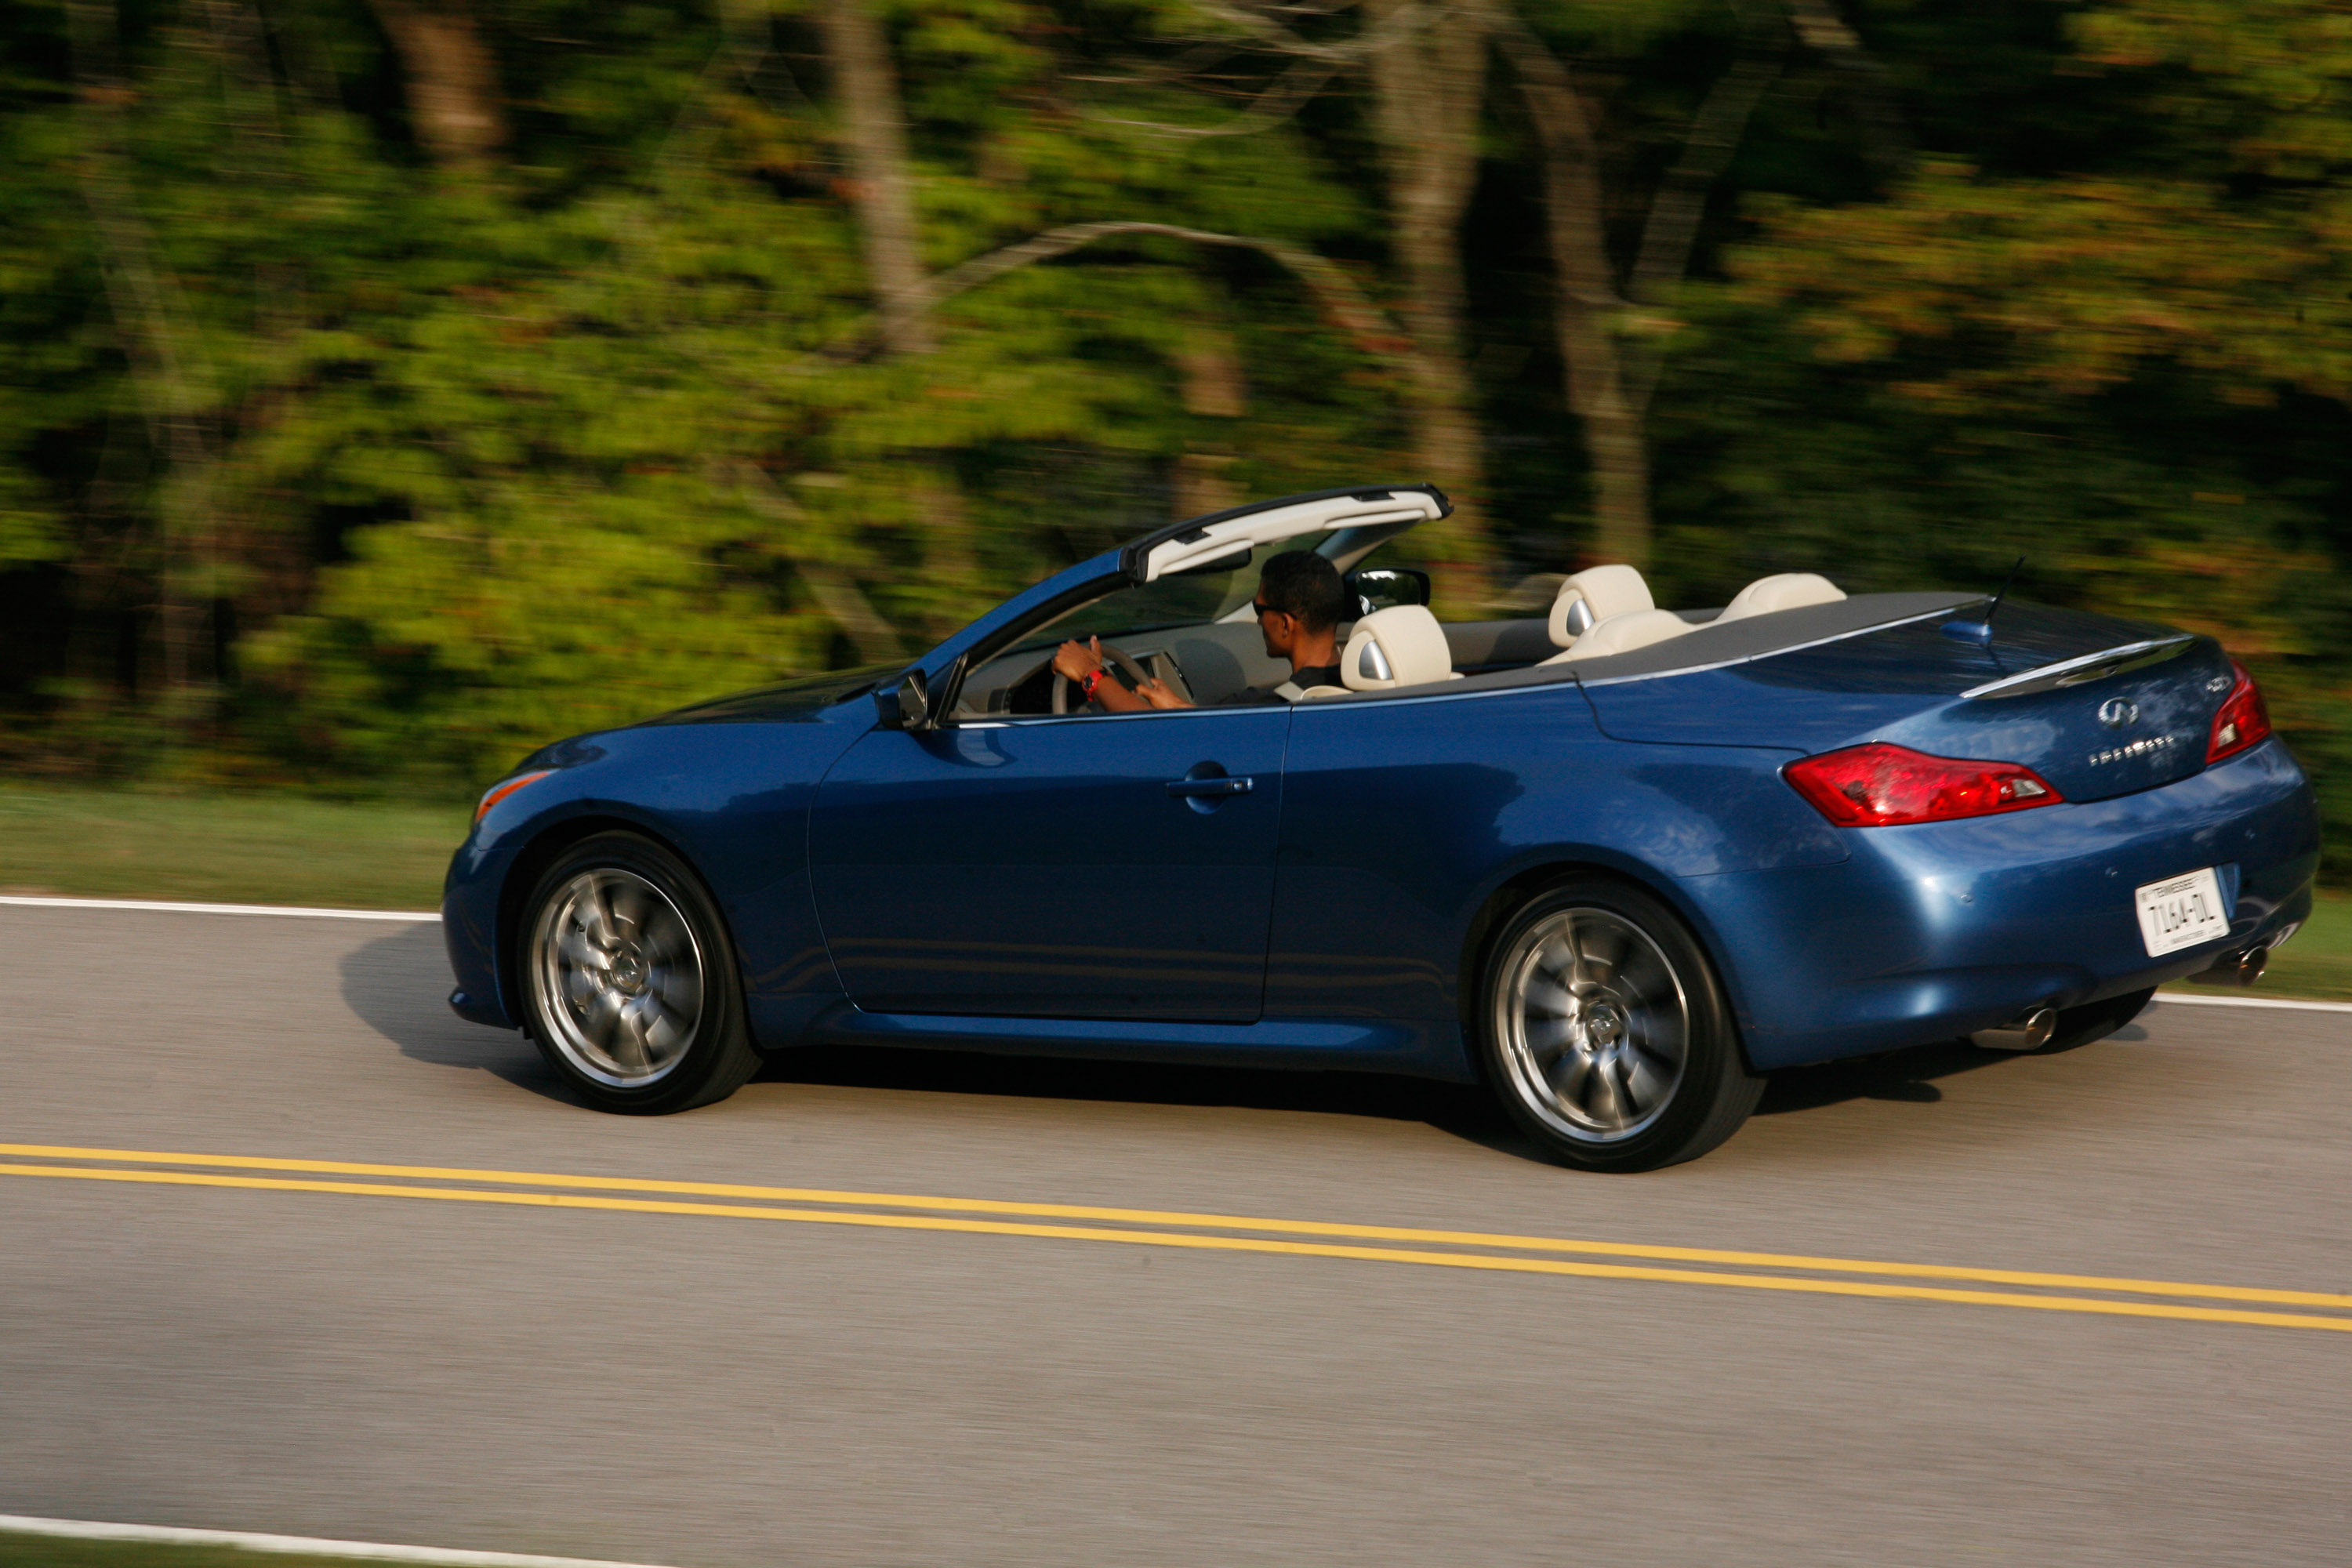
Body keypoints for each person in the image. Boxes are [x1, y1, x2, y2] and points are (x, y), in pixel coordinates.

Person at [1053, 550, 1351, 710]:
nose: (1259, 621)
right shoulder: (1362, 688)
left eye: (1260, 611)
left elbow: (1156, 734)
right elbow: (1210, 728)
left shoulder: (1269, 710)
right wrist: (1180, 708)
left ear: (1285, 624)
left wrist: (1091, 673)